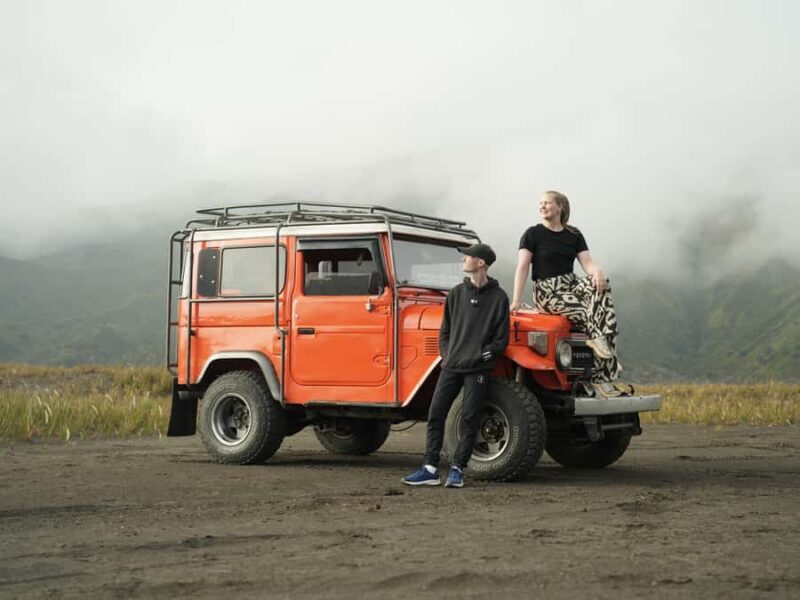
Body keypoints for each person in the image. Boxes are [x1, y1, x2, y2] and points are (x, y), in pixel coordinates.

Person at [402, 243, 510, 488]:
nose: (463, 261)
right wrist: (447, 354)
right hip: (451, 366)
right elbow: (445, 331)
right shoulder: (455, 294)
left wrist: (484, 355)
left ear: (481, 262)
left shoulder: (499, 297)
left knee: (470, 419)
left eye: (468, 257)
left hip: (478, 370)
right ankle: (430, 468)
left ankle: (457, 469)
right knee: (436, 414)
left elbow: (501, 339)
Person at [510, 190, 620, 384]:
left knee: (602, 285)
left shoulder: (574, 234)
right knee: (591, 311)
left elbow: (588, 263)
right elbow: (523, 267)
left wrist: (598, 272)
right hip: (547, 290)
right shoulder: (532, 233)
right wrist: (516, 300)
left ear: (560, 206)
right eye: (541, 203)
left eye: (547, 203)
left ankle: (602, 348)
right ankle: (608, 361)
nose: (542, 206)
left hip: (571, 284)